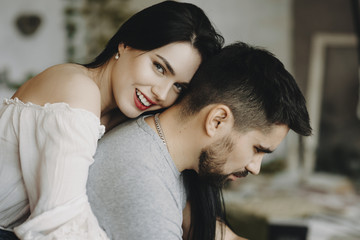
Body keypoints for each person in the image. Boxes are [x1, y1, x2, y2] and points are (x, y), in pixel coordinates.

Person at [0, 1, 224, 239]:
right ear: (125, 43)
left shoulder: (121, 120)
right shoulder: (77, 89)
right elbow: (59, 221)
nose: (162, 93)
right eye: (159, 67)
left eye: (178, 86)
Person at [86, 42, 312, 240]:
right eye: (257, 149)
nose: (255, 167)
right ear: (217, 120)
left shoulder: (164, 151)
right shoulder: (142, 185)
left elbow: (221, 235)